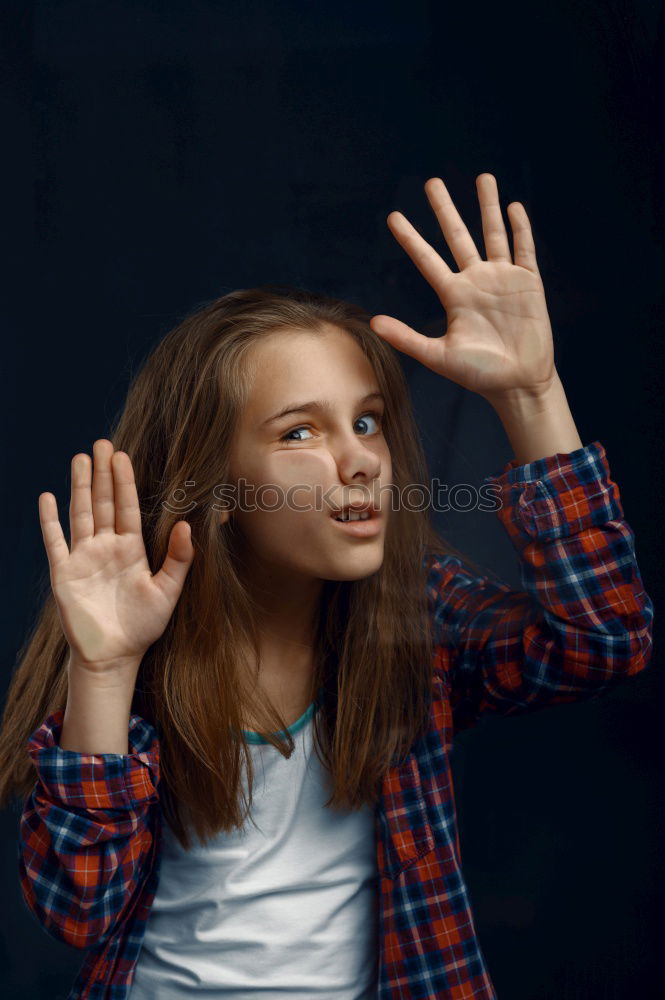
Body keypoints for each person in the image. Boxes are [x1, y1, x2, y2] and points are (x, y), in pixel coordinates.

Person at [0, 174, 653, 999]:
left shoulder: (413, 617)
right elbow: (79, 914)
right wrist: (102, 673)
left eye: (368, 420)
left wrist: (528, 393)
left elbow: (603, 641)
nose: (359, 459)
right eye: (300, 431)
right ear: (218, 487)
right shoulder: (139, 654)